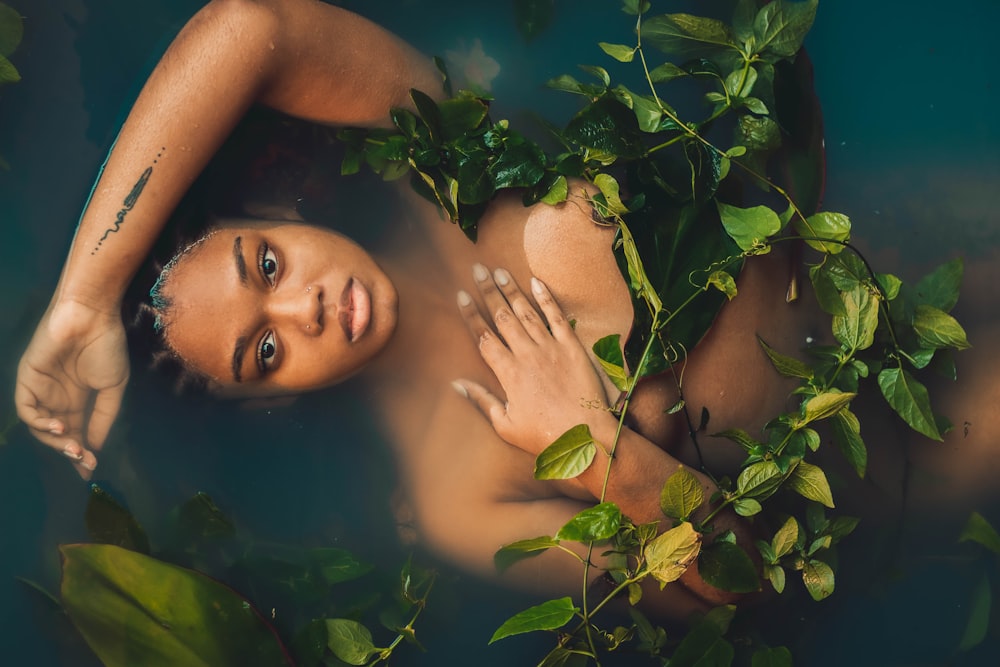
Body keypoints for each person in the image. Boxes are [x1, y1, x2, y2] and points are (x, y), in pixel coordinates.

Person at [11, 0, 877, 618]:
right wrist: (593, 445)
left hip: (882, 242)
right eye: (264, 352)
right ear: (272, 400)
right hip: (898, 445)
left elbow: (253, 28)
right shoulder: (457, 497)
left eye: (266, 264)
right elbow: (751, 587)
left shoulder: (433, 169)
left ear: (282, 217)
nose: (303, 307)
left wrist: (82, 298)